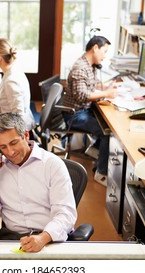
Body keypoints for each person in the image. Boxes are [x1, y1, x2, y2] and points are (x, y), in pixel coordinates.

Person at [0, 112, 77, 252]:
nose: (10, 152)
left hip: (49, 239)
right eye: (3, 147)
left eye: (13, 143)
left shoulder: (52, 165)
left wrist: (42, 238)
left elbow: (65, 214)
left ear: (26, 136)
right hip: (11, 240)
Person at [62, 36, 118, 187]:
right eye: (104, 51)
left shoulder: (89, 65)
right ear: (95, 48)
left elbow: (90, 86)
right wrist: (106, 94)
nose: (105, 56)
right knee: (107, 131)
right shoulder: (80, 68)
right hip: (74, 114)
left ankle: (93, 150)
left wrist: (104, 89)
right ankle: (101, 173)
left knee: (106, 122)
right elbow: (83, 96)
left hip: (83, 110)